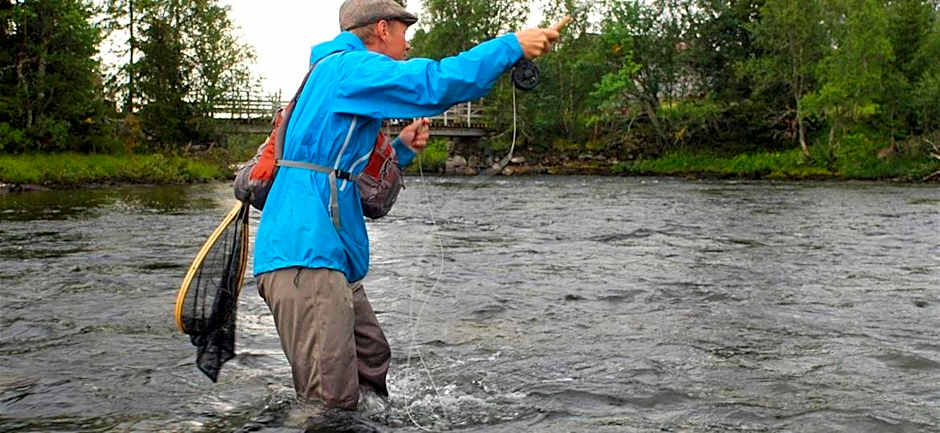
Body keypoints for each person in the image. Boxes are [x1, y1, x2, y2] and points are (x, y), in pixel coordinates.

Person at [253, 0, 569, 413]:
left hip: (324, 253)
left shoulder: (332, 73)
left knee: (371, 358)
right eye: (404, 32)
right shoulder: (349, 67)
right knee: (328, 405)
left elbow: (338, 169)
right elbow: (433, 84)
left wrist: (399, 151)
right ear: (382, 29)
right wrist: (510, 46)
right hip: (305, 255)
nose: (408, 44)